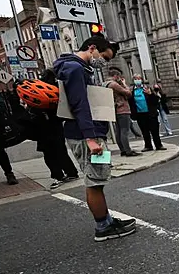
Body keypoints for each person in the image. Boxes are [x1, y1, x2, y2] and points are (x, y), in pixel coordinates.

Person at [54, 34, 136, 242]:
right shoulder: (75, 69)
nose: (104, 62)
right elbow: (80, 104)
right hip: (87, 137)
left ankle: (106, 220)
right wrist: (91, 139)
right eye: (105, 57)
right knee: (95, 180)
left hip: (89, 134)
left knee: (98, 177)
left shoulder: (76, 67)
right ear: (92, 48)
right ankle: (102, 226)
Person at [31, 70, 79, 189]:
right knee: (60, 151)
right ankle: (71, 172)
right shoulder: (57, 89)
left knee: (49, 154)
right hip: (55, 124)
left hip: (43, 127)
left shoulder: (40, 91)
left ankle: (58, 175)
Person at [104, 67, 140, 157]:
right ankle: (128, 151)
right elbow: (128, 93)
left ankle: (122, 150)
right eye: (119, 76)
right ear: (116, 76)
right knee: (124, 131)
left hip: (114, 110)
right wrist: (123, 84)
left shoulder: (105, 83)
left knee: (119, 131)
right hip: (122, 109)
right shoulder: (114, 84)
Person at [128, 74, 167, 152]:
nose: (137, 80)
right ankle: (148, 146)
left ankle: (158, 145)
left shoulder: (147, 88)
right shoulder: (132, 90)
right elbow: (130, 102)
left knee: (154, 130)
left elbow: (156, 101)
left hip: (150, 113)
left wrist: (150, 94)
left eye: (139, 78)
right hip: (140, 114)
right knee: (144, 131)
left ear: (142, 79)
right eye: (136, 78)